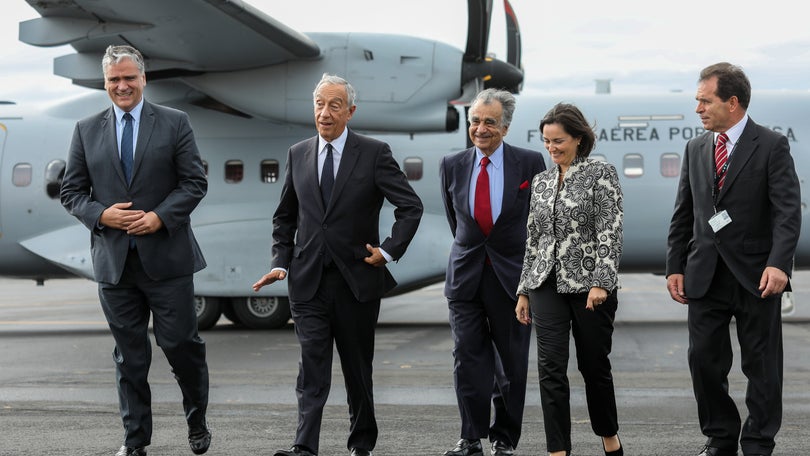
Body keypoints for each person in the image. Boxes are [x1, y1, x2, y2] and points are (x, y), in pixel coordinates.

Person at [252, 73, 423, 456]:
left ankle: (361, 445)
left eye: (333, 105)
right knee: (311, 366)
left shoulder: (374, 153)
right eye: (319, 105)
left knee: (357, 370)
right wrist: (281, 261)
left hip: (357, 281)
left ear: (350, 112)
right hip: (307, 280)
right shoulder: (298, 153)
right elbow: (285, 218)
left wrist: (389, 250)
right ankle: (304, 446)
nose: (324, 113)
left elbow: (411, 207)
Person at [60, 45, 211, 456]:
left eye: (129, 78)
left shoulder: (175, 123)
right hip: (114, 264)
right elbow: (71, 192)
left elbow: (195, 182)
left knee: (181, 346)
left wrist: (159, 217)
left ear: (144, 79)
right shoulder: (86, 129)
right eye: (113, 80)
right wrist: (102, 215)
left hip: (167, 259)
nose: (122, 86)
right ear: (105, 83)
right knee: (129, 359)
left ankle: (196, 418)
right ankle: (135, 441)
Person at [666, 62, 801, 456]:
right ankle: (720, 437)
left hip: (758, 275)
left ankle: (758, 442)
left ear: (733, 102)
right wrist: (675, 266)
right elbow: (683, 213)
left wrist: (779, 263)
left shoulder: (771, 145)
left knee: (761, 367)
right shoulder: (695, 148)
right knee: (704, 363)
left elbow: (787, 211)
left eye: (705, 101)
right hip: (705, 274)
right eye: (697, 101)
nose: (698, 109)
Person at [438, 88, 545, 456]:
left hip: (513, 280)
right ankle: (469, 438)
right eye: (475, 121)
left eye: (489, 122)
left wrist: (531, 283)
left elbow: (540, 227)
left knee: (512, 364)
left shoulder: (530, 164)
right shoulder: (451, 165)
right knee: (467, 357)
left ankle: (504, 440)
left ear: (506, 126)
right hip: (466, 276)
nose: (480, 129)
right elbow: (459, 224)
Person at [515, 103, 624, 456]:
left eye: (558, 141)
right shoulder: (541, 182)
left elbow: (610, 230)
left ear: (578, 138)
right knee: (550, 370)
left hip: (589, 286)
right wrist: (524, 290)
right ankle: (557, 451)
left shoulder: (600, 173)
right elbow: (534, 239)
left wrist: (602, 282)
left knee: (594, 366)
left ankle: (609, 439)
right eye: (546, 141)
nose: (551, 148)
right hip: (545, 284)